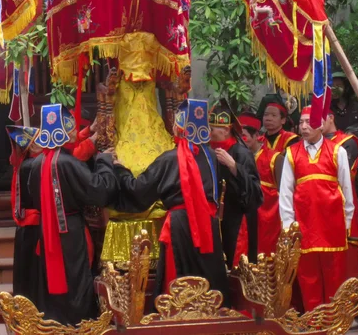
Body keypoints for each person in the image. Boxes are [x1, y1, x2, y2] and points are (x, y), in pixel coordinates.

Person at [113, 99, 230, 303]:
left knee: (179, 281)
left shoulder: (169, 159)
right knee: (209, 279)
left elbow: (139, 190)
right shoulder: (212, 157)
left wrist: (120, 169)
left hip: (179, 227)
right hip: (208, 226)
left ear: (179, 126)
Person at [29, 104, 118, 325]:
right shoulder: (68, 163)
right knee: (76, 277)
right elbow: (98, 190)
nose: (72, 133)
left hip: (48, 231)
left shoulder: (37, 163)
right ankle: (79, 323)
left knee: (53, 277)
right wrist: (105, 161)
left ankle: (55, 322)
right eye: (70, 129)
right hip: (71, 230)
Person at [279, 106, 355, 311]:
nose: (303, 127)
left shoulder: (338, 151)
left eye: (308, 122)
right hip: (304, 224)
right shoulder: (291, 153)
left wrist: (347, 222)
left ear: (321, 125)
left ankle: (334, 321)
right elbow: (285, 192)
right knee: (308, 275)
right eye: (301, 122)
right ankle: (313, 320)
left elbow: (347, 190)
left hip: (333, 224)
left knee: (335, 274)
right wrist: (288, 226)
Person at [209, 100, 262, 268]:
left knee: (236, 265)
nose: (208, 133)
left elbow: (255, 193)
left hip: (236, 220)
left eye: (212, 129)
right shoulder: (207, 151)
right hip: (213, 219)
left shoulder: (241, 154)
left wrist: (233, 166)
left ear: (225, 130)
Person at [322, 111, 358, 280]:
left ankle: (349, 300)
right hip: (316, 205)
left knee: (345, 251)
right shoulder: (303, 147)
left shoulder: (347, 142)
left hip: (339, 200)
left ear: (331, 117)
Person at [239, 113, 284, 257]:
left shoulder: (275, 158)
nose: (241, 141)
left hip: (268, 219)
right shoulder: (235, 157)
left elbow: (285, 192)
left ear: (256, 135)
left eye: (244, 136)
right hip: (244, 217)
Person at [6, 125, 42, 302]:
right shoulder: (32, 165)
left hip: (25, 226)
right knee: (32, 271)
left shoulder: (24, 164)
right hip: (33, 225)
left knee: (24, 270)